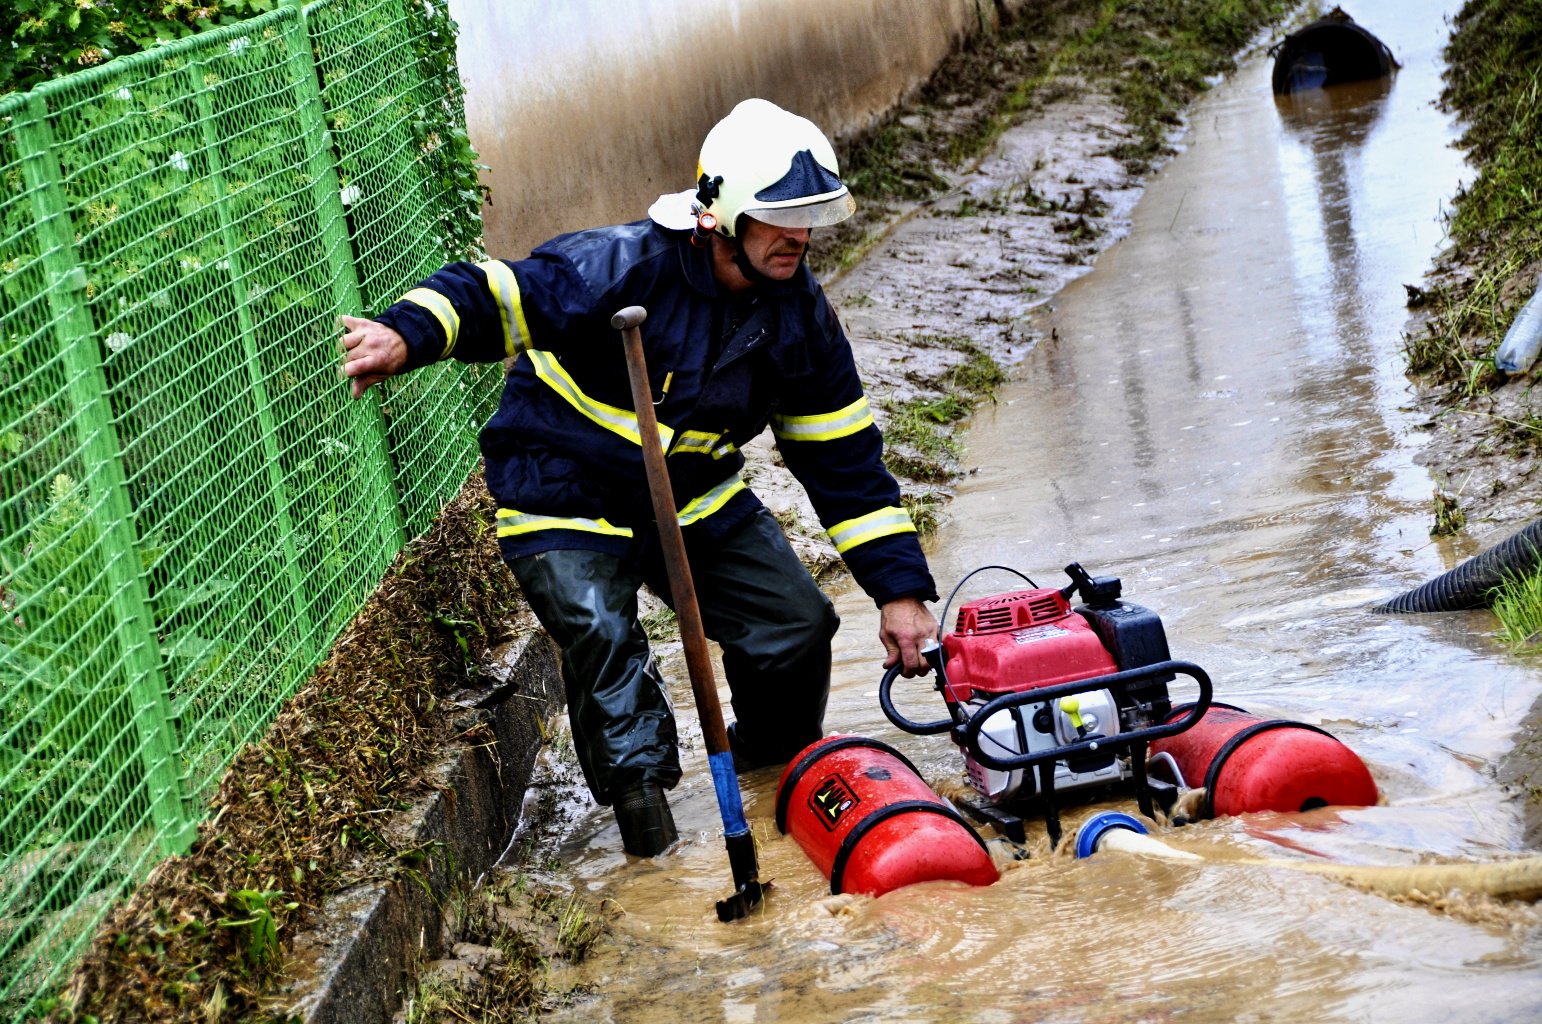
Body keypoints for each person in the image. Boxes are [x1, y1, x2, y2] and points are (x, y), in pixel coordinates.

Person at [340, 98, 938, 857]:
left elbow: (843, 458)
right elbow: (492, 294)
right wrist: (407, 334)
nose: (801, 237)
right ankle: (650, 848)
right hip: (563, 490)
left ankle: (769, 789)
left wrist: (900, 593)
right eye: (781, 217)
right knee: (605, 644)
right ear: (721, 213)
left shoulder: (799, 312)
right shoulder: (618, 266)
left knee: (795, 627)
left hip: (692, 493)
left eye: (810, 217)